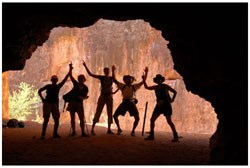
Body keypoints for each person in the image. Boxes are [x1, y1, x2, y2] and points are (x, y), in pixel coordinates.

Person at [142, 67, 179, 142]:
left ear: (162, 80)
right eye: (157, 80)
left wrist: (172, 99)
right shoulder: (156, 87)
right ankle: (152, 135)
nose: (159, 81)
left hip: (166, 105)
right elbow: (146, 87)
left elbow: (175, 92)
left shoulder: (165, 86)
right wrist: (144, 79)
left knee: (169, 121)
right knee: (152, 120)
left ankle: (176, 136)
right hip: (159, 106)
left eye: (160, 79)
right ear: (156, 81)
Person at [38, 64, 73, 139]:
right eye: (54, 79)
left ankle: (47, 134)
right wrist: (42, 99)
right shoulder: (56, 86)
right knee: (51, 119)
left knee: (53, 120)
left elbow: (39, 91)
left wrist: (43, 99)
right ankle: (49, 134)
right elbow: (64, 79)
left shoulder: (51, 86)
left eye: (55, 79)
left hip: (50, 103)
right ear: (53, 80)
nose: (54, 80)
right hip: (51, 104)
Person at [83, 61, 114, 135]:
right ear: (104, 71)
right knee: (98, 111)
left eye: (107, 71)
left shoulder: (111, 78)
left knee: (110, 112)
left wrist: (113, 71)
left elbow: (113, 78)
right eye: (105, 70)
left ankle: (109, 129)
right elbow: (90, 74)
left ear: (108, 71)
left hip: (108, 96)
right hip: (103, 96)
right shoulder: (102, 77)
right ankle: (93, 129)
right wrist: (85, 66)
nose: (106, 72)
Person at [112, 65, 144, 136]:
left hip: (131, 103)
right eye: (127, 79)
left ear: (132, 81)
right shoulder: (122, 86)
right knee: (115, 116)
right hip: (124, 103)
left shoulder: (134, 86)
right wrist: (113, 71)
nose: (128, 80)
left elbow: (142, 83)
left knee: (137, 118)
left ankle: (133, 131)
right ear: (125, 80)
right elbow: (114, 80)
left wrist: (145, 76)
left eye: (130, 79)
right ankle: (119, 129)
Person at [66, 63, 89, 137]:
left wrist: (83, 98)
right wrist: (70, 69)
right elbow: (71, 76)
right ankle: (74, 131)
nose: (80, 80)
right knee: (72, 118)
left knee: (81, 118)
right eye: (79, 79)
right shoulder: (76, 84)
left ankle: (82, 132)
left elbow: (85, 96)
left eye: (81, 79)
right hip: (73, 102)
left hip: (79, 103)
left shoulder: (85, 88)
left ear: (84, 80)